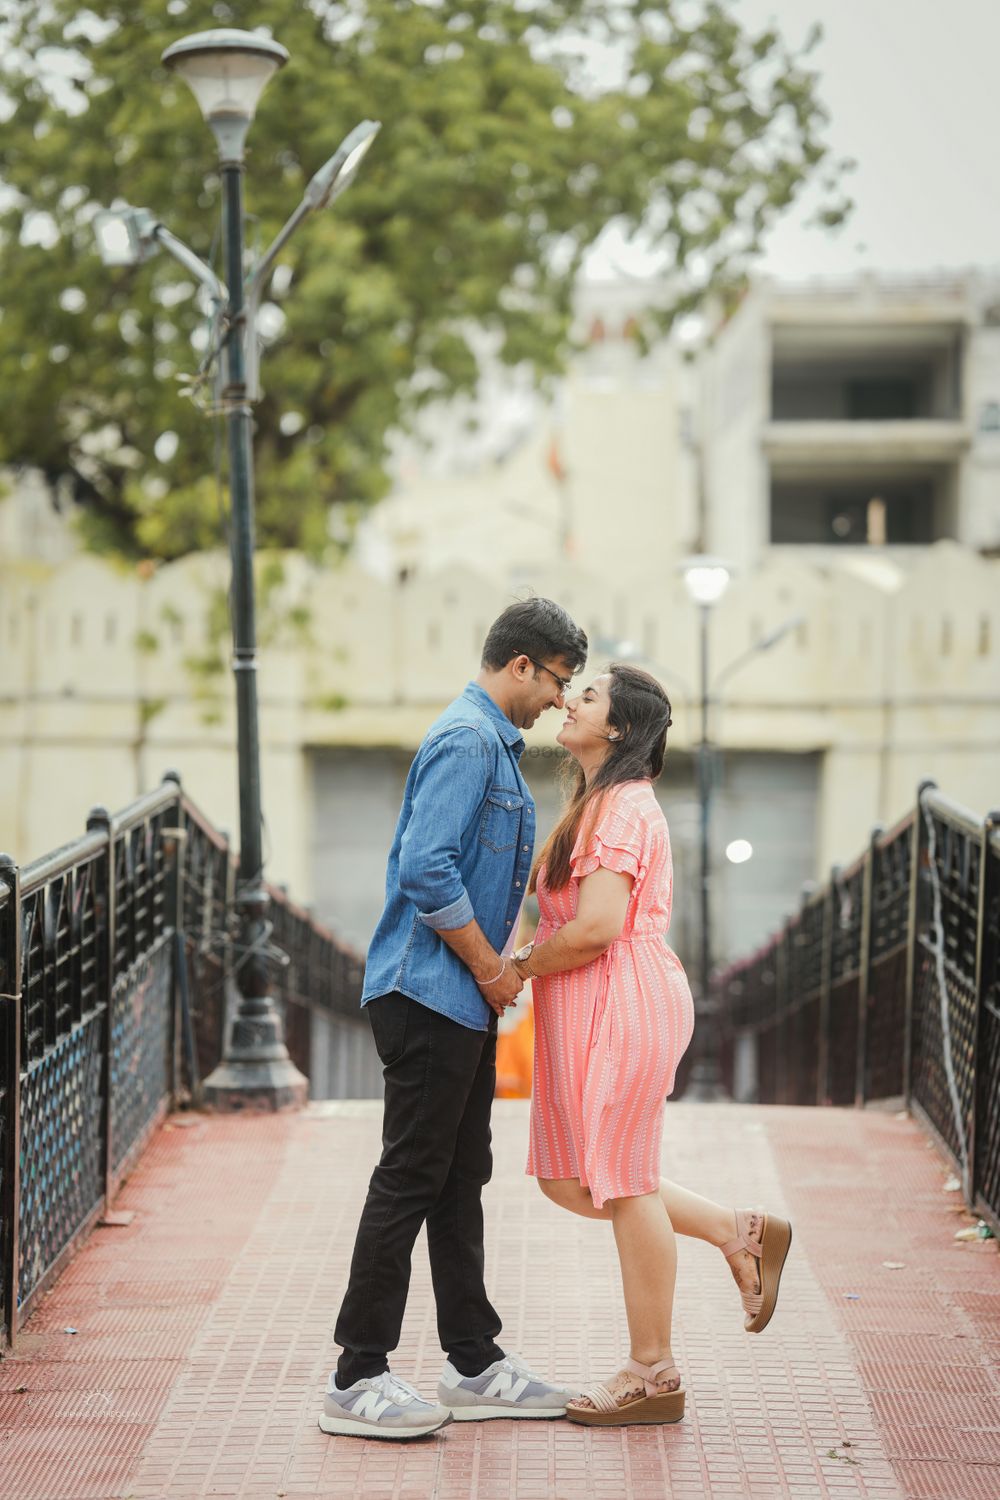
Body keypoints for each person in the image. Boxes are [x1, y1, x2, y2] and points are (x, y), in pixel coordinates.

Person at [321, 598, 589, 1440]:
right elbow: (425, 866)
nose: (558, 700)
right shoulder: (470, 741)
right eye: (556, 681)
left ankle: (474, 1359)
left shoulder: (493, 745)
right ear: (520, 665)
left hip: (457, 1000)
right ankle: (356, 1375)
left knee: (457, 1174)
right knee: (410, 1177)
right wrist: (488, 966)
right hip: (431, 992)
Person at [511, 662, 793, 1428]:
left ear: (622, 729)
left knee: (624, 1184)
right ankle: (738, 1231)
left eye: (589, 695)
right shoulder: (595, 802)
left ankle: (652, 1370)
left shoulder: (623, 810)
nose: (570, 700)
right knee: (571, 1181)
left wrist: (516, 970)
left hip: (621, 1002)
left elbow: (599, 926)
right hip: (589, 1005)